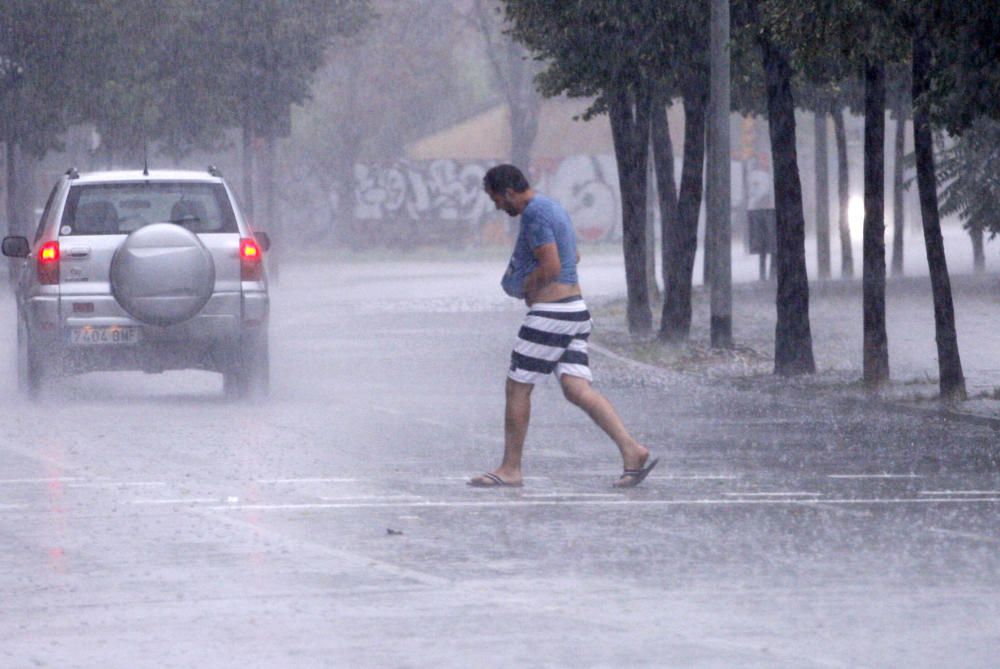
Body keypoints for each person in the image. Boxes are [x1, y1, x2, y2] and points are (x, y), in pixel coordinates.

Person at [468, 164, 657, 489]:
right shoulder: (553, 208)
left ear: (509, 192)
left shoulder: (534, 215)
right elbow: (575, 256)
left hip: (552, 314)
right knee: (576, 388)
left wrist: (527, 287)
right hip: (575, 310)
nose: (498, 206)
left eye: (497, 199)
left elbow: (552, 265)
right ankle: (632, 450)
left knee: (518, 386)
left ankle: (511, 468)